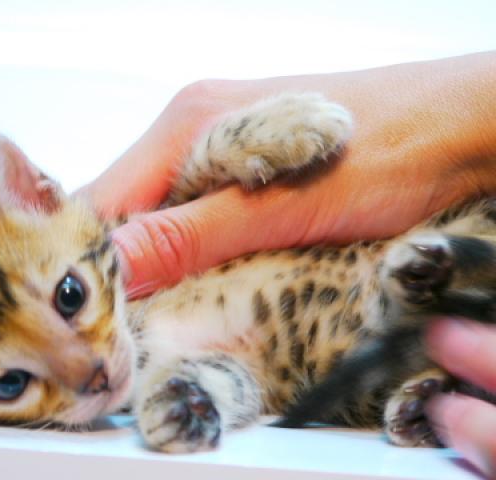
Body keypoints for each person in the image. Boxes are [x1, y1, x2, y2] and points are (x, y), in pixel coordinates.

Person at [79, 51, 496, 476]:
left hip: (435, 242)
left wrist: (234, 142)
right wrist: (188, 400)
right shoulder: (122, 377)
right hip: (382, 332)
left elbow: (197, 185)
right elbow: (244, 378)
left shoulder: (110, 239)